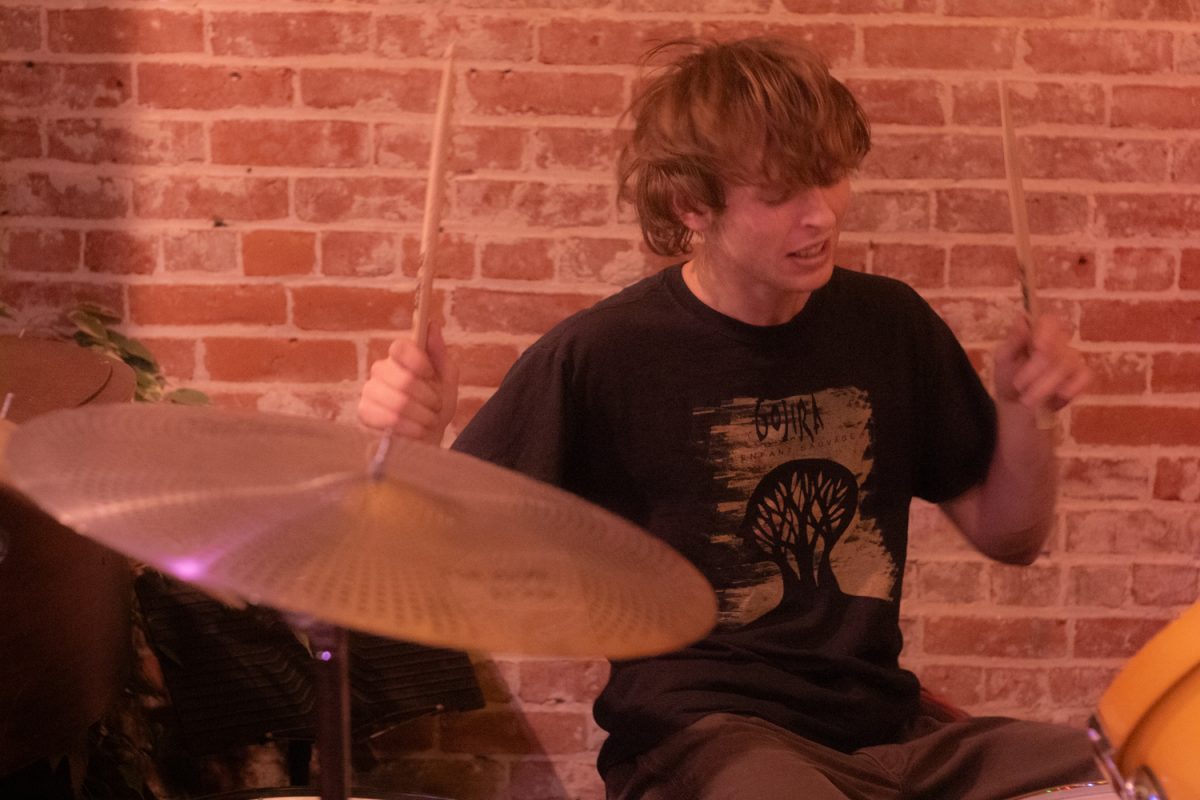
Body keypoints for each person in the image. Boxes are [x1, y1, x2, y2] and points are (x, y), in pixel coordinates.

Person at [359, 37, 1097, 800]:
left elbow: (1011, 535)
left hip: (885, 733)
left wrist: (1025, 413)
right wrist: (410, 449)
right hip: (701, 740)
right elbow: (434, 570)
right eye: (779, 196)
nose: (820, 217)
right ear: (692, 206)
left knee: (1115, 771)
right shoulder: (602, 355)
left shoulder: (892, 325)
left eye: (830, 177)